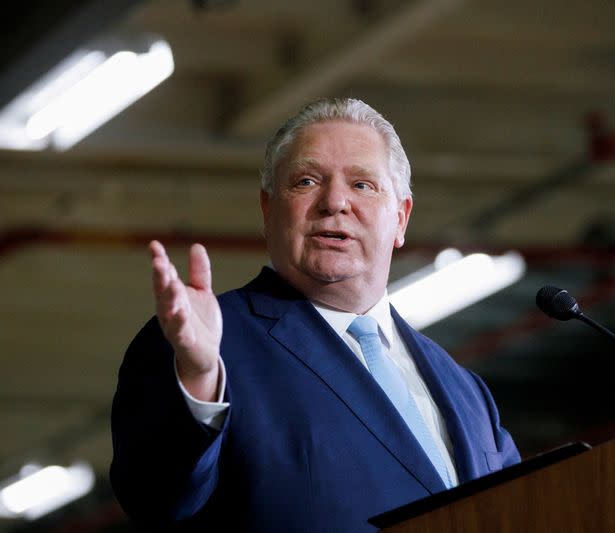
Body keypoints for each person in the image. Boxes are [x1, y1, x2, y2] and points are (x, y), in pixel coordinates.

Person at [109, 97, 520, 532]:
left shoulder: (464, 387)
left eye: (363, 185)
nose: (335, 202)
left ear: (400, 219)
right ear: (268, 211)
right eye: (306, 181)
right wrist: (199, 378)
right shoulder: (203, 347)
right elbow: (156, 499)